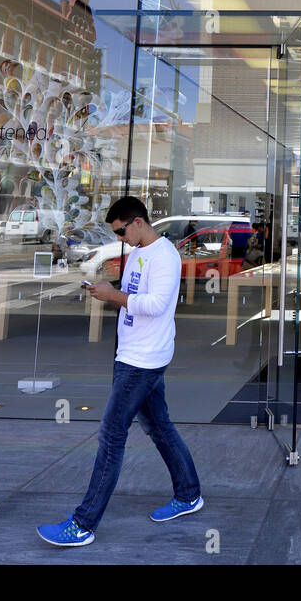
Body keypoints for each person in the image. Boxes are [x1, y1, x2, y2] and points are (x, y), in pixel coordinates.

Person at [38, 196, 202, 547]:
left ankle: (83, 524)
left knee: (112, 437)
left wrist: (113, 296)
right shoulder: (138, 252)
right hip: (132, 354)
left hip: (143, 360)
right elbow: (133, 298)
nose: (120, 239)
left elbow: (156, 305)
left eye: (122, 231)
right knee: (159, 426)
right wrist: (107, 293)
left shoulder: (165, 255)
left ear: (138, 221)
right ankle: (189, 494)